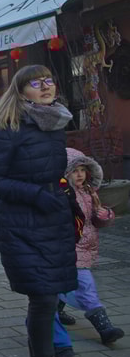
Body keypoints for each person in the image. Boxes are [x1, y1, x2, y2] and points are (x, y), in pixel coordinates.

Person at [0, 65, 77, 357]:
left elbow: (49, 169)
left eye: (49, 79)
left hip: (53, 217)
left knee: (54, 292)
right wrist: (36, 195)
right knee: (44, 297)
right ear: (21, 92)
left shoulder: (54, 121)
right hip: (21, 224)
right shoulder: (6, 127)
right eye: (36, 83)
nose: (46, 86)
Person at [57, 148, 123, 346]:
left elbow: (95, 218)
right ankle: (105, 328)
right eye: (75, 170)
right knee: (86, 287)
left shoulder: (88, 192)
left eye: (83, 170)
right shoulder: (62, 194)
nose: (80, 174)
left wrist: (105, 216)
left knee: (62, 283)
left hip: (87, 247)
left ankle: (57, 310)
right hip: (71, 246)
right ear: (65, 173)